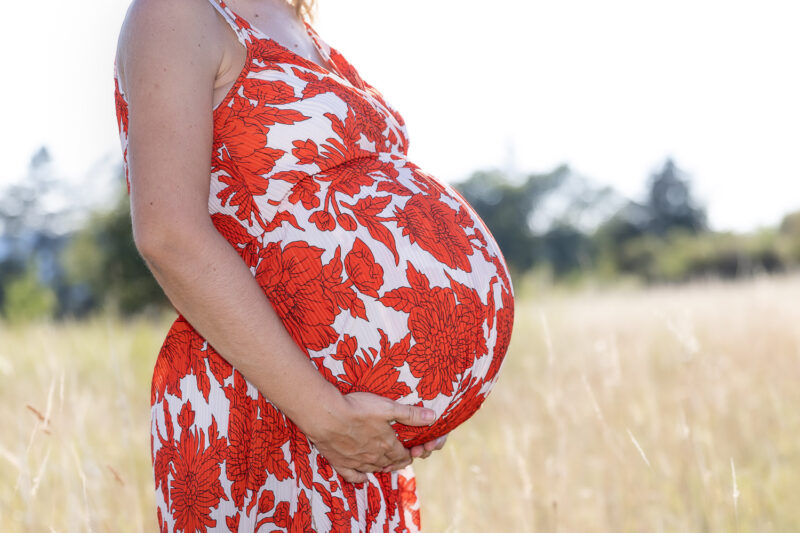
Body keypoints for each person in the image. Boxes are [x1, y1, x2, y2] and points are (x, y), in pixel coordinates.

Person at [112, 0, 515, 530]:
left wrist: (419, 403)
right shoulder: (176, 12)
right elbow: (169, 236)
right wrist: (322, 415)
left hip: (348, 424)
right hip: (266, 399)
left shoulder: (296, 19)